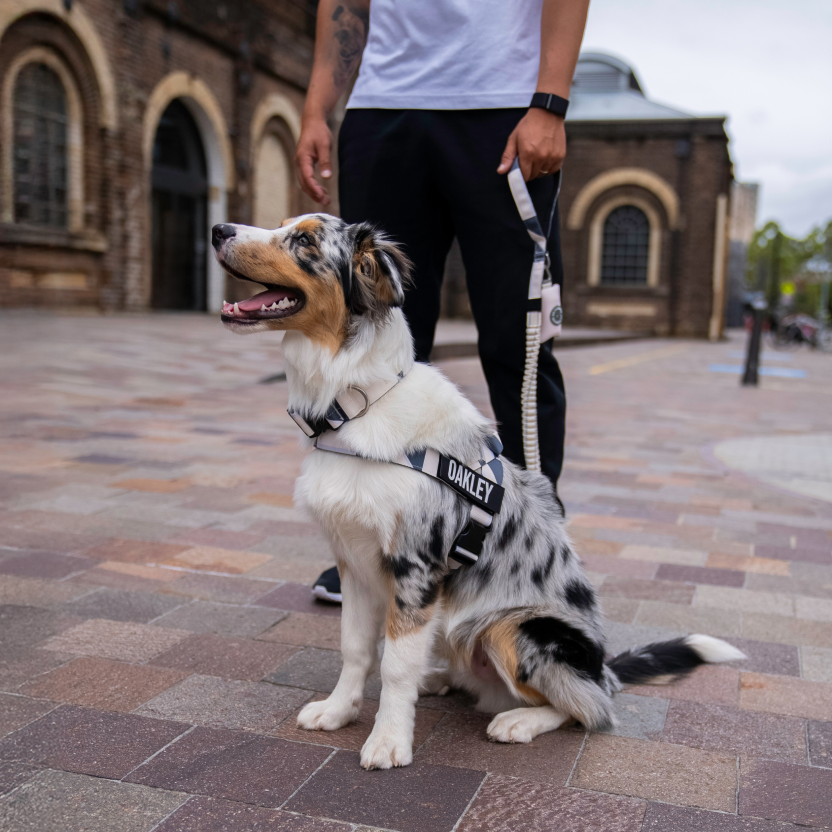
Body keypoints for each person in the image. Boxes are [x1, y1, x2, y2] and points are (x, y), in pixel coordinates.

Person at [298, 0, 591, 603]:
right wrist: (317, 108)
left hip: (503, 107)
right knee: (378, 343)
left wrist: (550, 101)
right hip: (383, 109)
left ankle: (532, 545)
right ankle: (381, 545)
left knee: (520, 342)